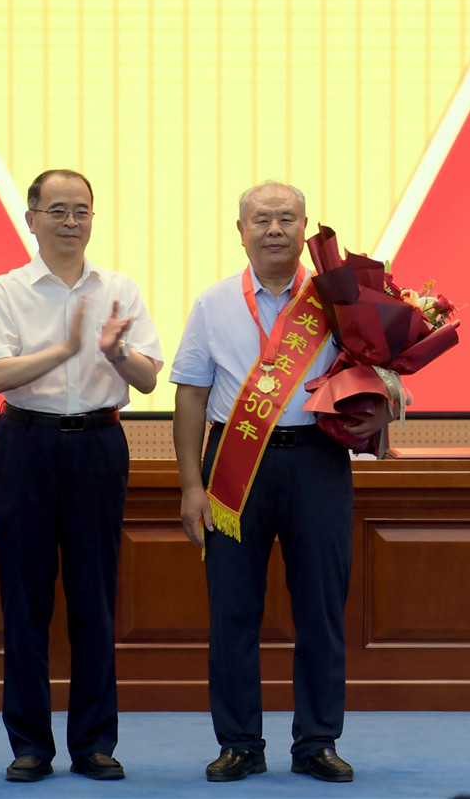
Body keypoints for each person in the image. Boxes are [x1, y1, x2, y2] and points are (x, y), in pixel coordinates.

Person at [170, 181, 397, 783]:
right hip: (234, 464)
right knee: (233, 612)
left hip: (317, 463)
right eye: (262, 219)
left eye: (287, 219)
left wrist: (386, 408)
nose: (274, 229)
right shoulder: (213, 303)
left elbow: (385, 374)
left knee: (321, 609)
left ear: (304, 228)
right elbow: (190, 396)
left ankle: (317, 741)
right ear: (240, 231)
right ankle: (240, 743)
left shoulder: (338, 300)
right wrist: (191, 485)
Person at [0, 169, 163, 783]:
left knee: (94, 598)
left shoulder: (120, 288)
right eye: (57, 210)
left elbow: (148, 379)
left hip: (98, 445)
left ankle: (94, 744)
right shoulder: (5, 290)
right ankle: (30, 745)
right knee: (24, 600)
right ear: (32, 219)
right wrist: (63, 349)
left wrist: (114, 352)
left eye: (81, 210)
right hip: (24, 444)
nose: (70, 221)